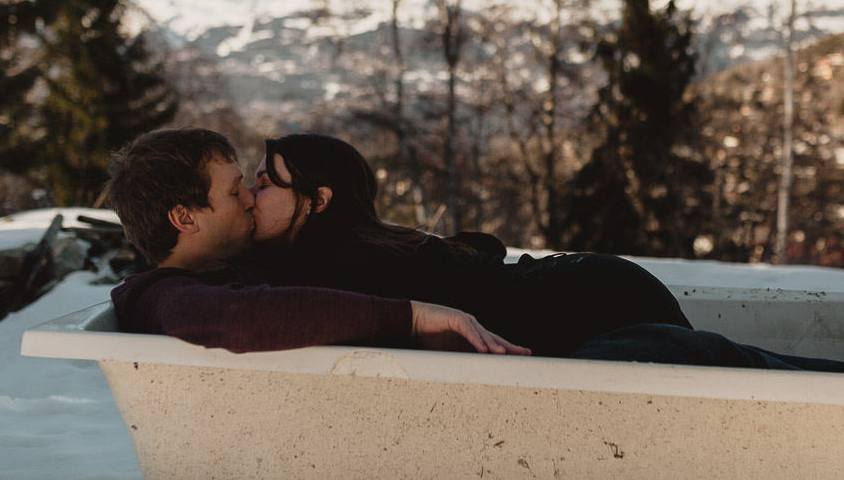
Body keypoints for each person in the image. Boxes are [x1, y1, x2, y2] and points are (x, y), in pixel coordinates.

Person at [244, 131, 844, 379]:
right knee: (715, 356)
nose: (251, 193)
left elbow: (472, 261)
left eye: (265, 181)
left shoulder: (340, 254)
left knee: (720, 360)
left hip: (581, 316)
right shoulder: (315, 268)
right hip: (578, 335)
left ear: (318, 200)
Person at [103, 127, 531, 356]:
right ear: (184, 217)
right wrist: (414, 320)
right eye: (235, 192)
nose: (251, 199)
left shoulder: (248, 263)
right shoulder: (161, 296)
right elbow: (246, 317)